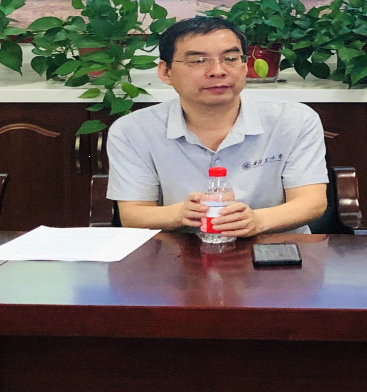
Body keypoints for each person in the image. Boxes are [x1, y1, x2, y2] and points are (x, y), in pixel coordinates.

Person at [109, 15, 328, 237]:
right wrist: (178, 214)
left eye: (230, 58)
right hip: (179, 250)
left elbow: (312, 202)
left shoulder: (293, 120)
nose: (217, 71)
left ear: (244, 66)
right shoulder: (133, 130)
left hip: (275, 246)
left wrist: (258, 221)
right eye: (198, 61)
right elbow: (133, 214)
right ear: (166, 72)